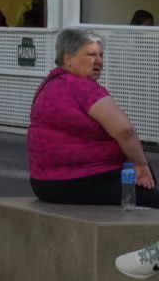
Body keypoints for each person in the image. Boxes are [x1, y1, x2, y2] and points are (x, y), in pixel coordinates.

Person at [26, 27, 157, 208]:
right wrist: (141, 167)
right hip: (81, 180)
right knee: (149, 192)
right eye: (90, 55)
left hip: (44, 182)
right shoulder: (82, 87)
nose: (99, 61)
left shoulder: (49, 84)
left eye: (101, 55)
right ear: (68, 58)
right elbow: (125, 131)